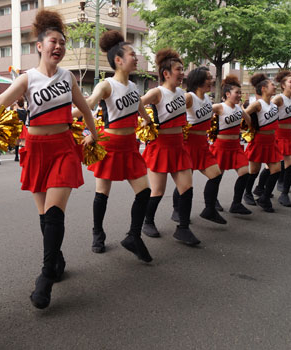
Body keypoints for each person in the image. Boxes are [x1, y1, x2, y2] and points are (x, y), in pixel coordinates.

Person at [0, 9, 98, 309]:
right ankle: (56, 259)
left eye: (62, 43)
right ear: (39, 46)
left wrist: (92, 134)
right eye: (53, 42)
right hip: (35, 149)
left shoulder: (68, 78)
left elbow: (85, 109)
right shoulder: (27, 79)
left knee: (55, 213)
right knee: (44, 216)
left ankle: (45, 279)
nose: (59, 47)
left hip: (63, 148)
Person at [71, 30, 153, 260]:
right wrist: (65, 118)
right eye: (132, 54)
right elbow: (88, 104)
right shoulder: (107, 85)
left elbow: (138, 108)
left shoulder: (134, 87)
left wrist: (149, 121)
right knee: (102, 192)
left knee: (144, 192)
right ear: (118, 60)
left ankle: (133, 236)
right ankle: (98, 232)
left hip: (130, 145)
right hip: (109, 144)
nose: (136, 58)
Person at [139, 48, 200, 246]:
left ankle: (183, 228)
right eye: (178, 69)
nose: (182, 73)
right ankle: (147, 221)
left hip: (179, 147)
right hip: (160, 147)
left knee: (187, 188)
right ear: (166, 73)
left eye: (182, 69)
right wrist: (146, 119)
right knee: (157, 191)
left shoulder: (183, 94)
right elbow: (137, 104)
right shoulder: (157, 92)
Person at [171, 66, 226, 224]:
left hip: (203, 145)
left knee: (215, 174)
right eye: (208, 78)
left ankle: (209, 209)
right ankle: (177, 209)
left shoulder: (207, 99)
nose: (211, 80)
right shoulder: (189, 97)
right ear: (198, 80)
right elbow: (172, 111)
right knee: (185, 182)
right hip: (188, 144)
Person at [210, 74, 253, 215]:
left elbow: (249, 122)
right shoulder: (219, 107)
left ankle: (236, 203)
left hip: (236, 146)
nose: (239, 95)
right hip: (221, 145)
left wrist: (242, 110)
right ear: (227, 94)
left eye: (240, 93)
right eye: (237, 92)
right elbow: (203, 114)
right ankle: (212, 200)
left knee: (244, 173)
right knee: (217, 176)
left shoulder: (239, 109)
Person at [242, 73, 282, 212]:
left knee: (276, 169)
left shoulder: (274, 104)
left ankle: (264, 198)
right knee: (254, 171)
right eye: (272, 85)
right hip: (259, 140)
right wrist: (242, 112)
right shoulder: (257, 104)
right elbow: (244, 115)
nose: (275, 86)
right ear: (264, 88)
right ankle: (247, 193)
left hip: (272, 141)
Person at [270, 70, 291, 207]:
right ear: (283, 85)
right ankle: (259, 189)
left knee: (290, 163)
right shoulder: (278, 99)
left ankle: (284, 194)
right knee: (272, 166)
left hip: (289, 135)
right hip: (278, 134)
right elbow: (267, 111)